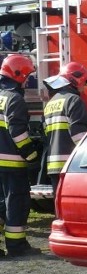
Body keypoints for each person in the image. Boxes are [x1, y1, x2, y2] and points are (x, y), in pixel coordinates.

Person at [0, 54, 41, 257]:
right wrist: (32, 156)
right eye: (26, 76)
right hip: (12, 164)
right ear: (18, 74)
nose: (27, 80)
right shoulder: (14, 99)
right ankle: (17, 247)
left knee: (1, 204)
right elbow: (18, 134)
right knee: (16, 204)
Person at [43, 62, 87, 193]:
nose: (84, 86)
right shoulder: (74, 100)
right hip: (71, 165)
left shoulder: (51, 103)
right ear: (75, 79)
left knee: (59, 207)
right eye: (84, 82)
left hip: (53, 165)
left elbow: (46, 132)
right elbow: (79, 135)